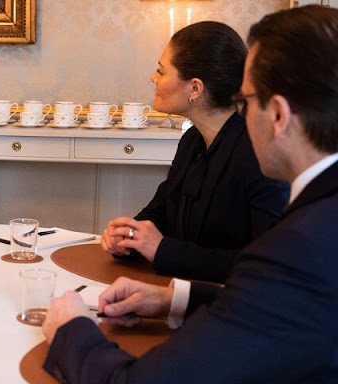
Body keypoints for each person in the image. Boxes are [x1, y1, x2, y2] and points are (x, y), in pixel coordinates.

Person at [43, 5, 338, 383]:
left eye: (245, 102)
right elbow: (275, 301)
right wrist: (175, 299)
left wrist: (71, 331)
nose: (241, 117)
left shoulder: (302, 246)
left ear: (278, 116)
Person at [102, 22, 289, 283]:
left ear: (195, 88)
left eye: (161, 71)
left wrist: (162, 249)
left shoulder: (257, 152)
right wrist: (128, 235)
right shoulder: (191, 140)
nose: (153, 78)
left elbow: (265, 265)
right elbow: (161, 210)